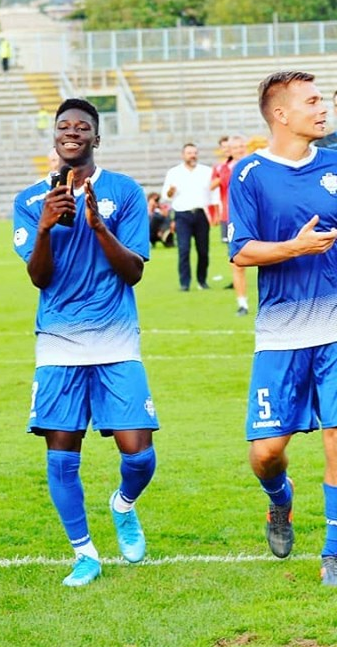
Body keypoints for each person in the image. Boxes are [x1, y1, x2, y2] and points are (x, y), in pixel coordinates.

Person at [12, 98, 159, 587]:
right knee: (61, 452)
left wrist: (98, 227)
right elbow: (39, 277)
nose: (71, 132)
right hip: (59, 342)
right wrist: (44, 227)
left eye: (81, 127)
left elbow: (133, 271)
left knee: (138, 452)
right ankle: (85, 554)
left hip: (116, 340)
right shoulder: (31, 200)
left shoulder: (125, 191)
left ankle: (124, 504)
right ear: (55, 137)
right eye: (63, 126)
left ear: (96, 138)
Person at [228, 70, 337, 585]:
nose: (323, 108)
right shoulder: (249, 174)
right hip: (281, 333)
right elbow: (242, 251)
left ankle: (333, 550)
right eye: (311, 101)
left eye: (322, 100)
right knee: (267, 453)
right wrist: (296, 247)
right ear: (280, 113)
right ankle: (279, 500)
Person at [161, 143, 213, 290]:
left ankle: (202, 280)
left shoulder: (206, 171)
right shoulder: (174, 172)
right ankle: (184, 283)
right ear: (183, 155)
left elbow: (212, 192)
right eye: (189, 153)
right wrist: (171, 191)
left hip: (201, 213)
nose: (193, 155)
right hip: (182, 215)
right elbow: (166, 195)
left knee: (203, 250)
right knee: (184, 249)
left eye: (195, 153)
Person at [216, 134, 250, 315]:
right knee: (237, 262)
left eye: (240, 146)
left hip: (256, 217)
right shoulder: (224, 169)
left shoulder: (257, 164)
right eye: (234, 148)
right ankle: (242, 303)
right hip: (232, 218)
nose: (238, 150)